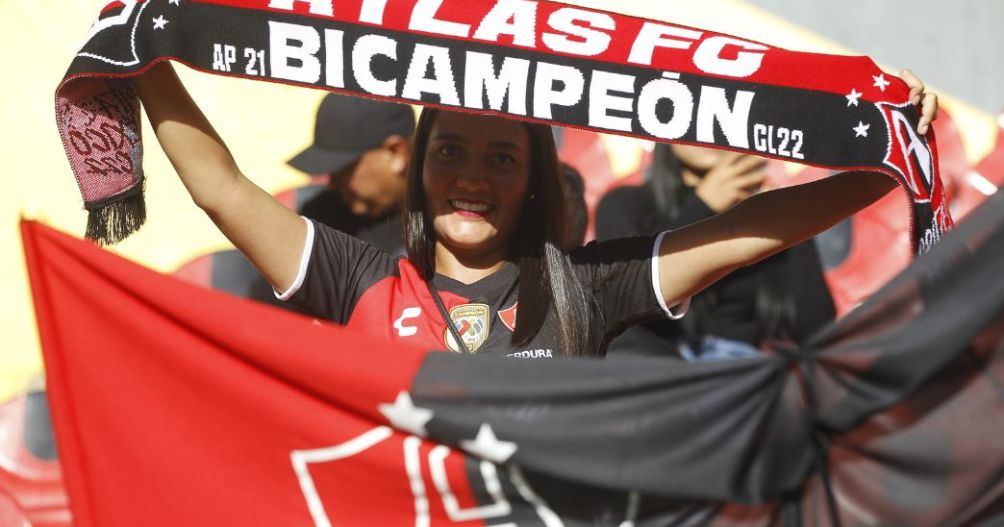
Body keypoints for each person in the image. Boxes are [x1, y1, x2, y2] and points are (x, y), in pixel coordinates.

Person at [135, 62, 937, 358]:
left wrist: (889, 157)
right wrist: (141, 58)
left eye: (502, 158)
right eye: (449, 152)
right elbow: (222, 188)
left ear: (534, 181)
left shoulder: (586, 285)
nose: (473, 177)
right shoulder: (355, 272)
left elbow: (752, 231)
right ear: (419, 172)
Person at [596, 144, 836, 360]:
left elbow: (818, 328)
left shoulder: (768, 214)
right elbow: (628, 297)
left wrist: (790, 224)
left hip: (744, 378)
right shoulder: (625, 205)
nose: (708, 135)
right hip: (657, 376)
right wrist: (703, 205)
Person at [288, 92, 415, 255]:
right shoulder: (319, 218)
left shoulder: (440, 229)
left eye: (346, 168)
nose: (332, 183)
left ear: (396, 153)